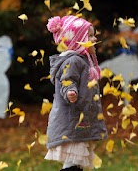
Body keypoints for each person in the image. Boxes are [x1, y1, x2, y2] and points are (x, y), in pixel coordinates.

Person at [44, 15, 108, 171]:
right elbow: (67, 80)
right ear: (76, 40)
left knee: (77, 163)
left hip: (79, 121)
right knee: (74, 161)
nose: (95, 38)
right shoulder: (73, 61)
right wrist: (70, 91)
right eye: (90, 36)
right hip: (72, 122)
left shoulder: (83, 60)